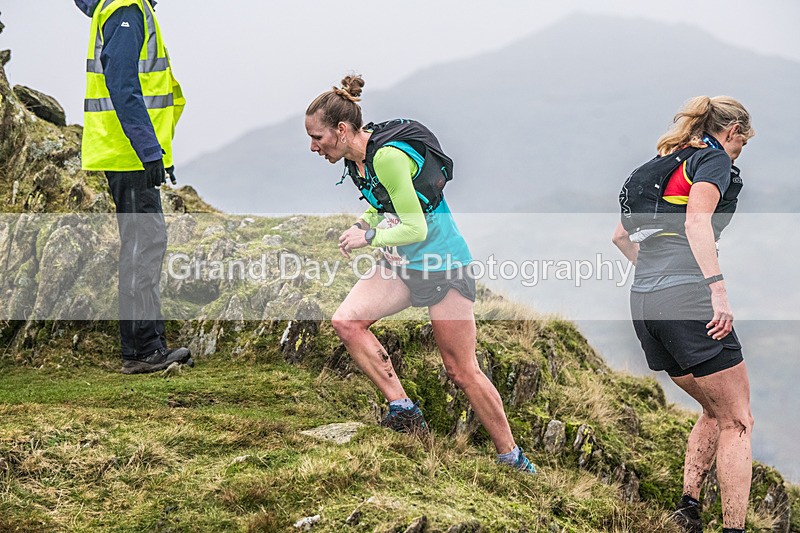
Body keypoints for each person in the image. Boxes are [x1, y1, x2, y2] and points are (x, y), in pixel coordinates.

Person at [304, 75, 535, 473]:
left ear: (341, 130)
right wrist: (364, 221)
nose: (313, 147)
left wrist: (369, 237)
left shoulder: (387, 158)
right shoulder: (357, 161)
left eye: (317, 137)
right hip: (401, 265)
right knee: (347, 321)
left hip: (443, 266)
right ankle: (404, 409)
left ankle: (512, 457)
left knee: (461, 370)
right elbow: (384, 199)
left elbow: (416, 228)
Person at [613, 96, 755, 533]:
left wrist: (660, 281)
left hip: (645, 303)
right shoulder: (712, 161)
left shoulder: (660, 164)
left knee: (714, 409)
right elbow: (696, 223)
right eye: (742, 144)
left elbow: (620, 237)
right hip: (689, 299)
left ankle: (687, 509)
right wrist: (717, 291)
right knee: (738, 420)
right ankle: (733, 528)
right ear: (732, 131)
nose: (739, 153)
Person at [75, 0, 191, 374]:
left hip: (129, 152)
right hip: (129, 154)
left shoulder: (126, 8)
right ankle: (143, 350)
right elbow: (122, 84)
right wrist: (148, 149)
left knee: (143, 243)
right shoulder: (127, 10)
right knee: (143, 245)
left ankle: (146, 347)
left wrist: (157, 151)